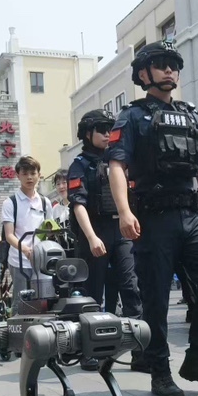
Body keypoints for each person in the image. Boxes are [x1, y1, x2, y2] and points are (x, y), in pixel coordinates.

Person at [107, 40, 198, 396]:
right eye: (161, 64)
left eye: (173, 65)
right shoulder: (131, 116)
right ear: (144, 74)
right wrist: (125, 211)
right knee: (156, 299)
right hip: (153, 218)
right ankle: (160, 371)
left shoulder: (189, 115)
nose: (169, 70)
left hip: (192, 216)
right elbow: (116, 165)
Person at [67, 109, 143, 371]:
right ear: (88, 134)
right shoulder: (79, 165)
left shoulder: (119, 162)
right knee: (92, 294)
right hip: (95, 231)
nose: (108, 134)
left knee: (131, 288)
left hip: (121, 231)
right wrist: (91, 238)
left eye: (110, 129)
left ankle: (139, 351)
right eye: (102, 130)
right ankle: (89, 350)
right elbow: (78, 205)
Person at [2, 156, 54, 314]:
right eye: (25, 173)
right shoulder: (10, 202)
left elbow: (49, 230)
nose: (29, 177)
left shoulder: (45, 202)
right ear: (18, 175)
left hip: (41, 260)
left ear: (39, 175)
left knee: (43, 299)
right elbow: (9, 235)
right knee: (21, 301)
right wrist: (26, 250)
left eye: (33, 173)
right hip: (19, 260)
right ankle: (16, 327)